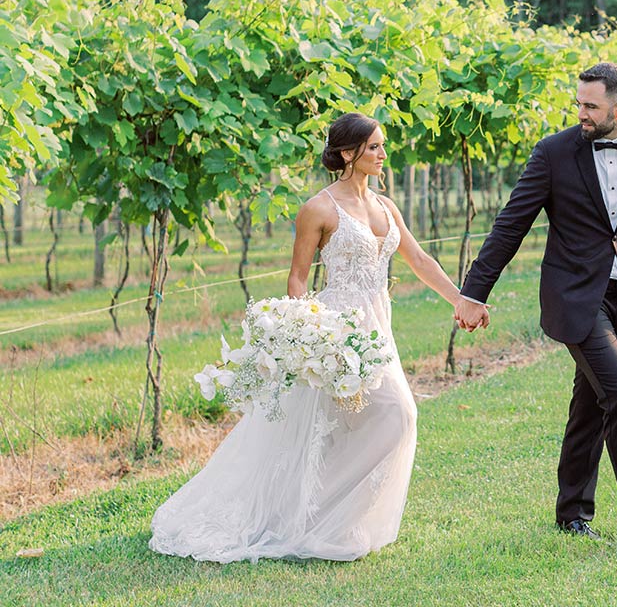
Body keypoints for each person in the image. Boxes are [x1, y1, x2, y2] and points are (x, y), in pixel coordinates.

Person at [149, 113, 482, 562]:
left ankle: (329, 516)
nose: (383, 154)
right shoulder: (319, 209)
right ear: (348, 154)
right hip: (336, 331)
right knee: (393, 415)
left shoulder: (387, 207)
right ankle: (310, 515)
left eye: (383, 146)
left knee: (372, 421)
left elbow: (419, 260)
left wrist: (461, 300)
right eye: (374, 148)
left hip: (377, 329)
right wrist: (309, 338)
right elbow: (298, 279)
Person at [455, 62, 617, 546]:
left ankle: (571, 513)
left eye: (591, 106)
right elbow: (511, 223)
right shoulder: (554, 152)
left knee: (591, 403)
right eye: (578, 103)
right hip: (574, 298)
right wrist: (475, 291)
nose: (580, 113)